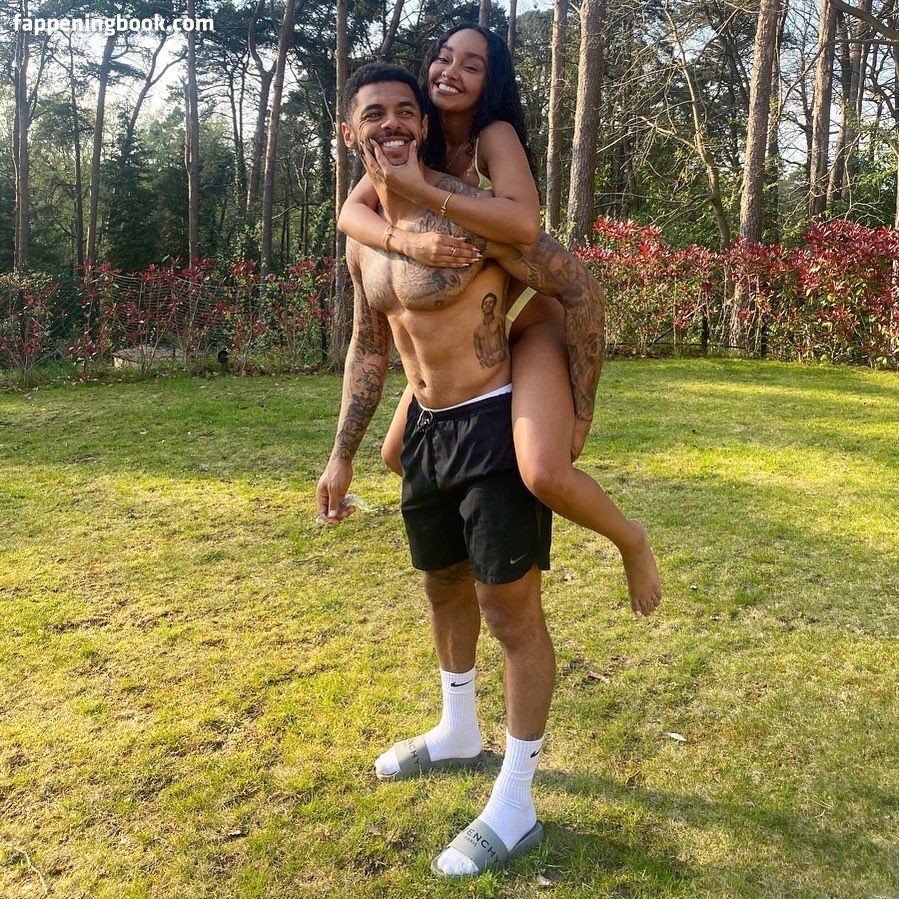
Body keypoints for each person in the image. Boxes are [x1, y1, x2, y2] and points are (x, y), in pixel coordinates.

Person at [317, 62, 606, 877]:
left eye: (404, 111)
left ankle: (515, 802)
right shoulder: (364, 234)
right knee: (442, 585)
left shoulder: (469, 216)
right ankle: (456, 729)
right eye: (374, 112)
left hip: (492, 424)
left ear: (421, 126)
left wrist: (577, 408)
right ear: (350, 133)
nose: (392, 122)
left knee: (510, 614)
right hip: (426, 428)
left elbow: (577, 289)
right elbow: (368, 345)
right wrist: (341, 454)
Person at [338, 23, 661, 619]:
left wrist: (582, 411)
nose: (450, 73)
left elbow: (522, 226)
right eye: (443, 58)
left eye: (472, 65)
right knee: (397, 454)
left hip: (540, 310)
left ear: (491, 82)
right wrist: (408, 243)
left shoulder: (494, 134)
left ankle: (629, 538)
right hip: (475, 319)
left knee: (543, 470)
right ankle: (468, 537)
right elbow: (350, 213)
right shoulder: (414, 136)